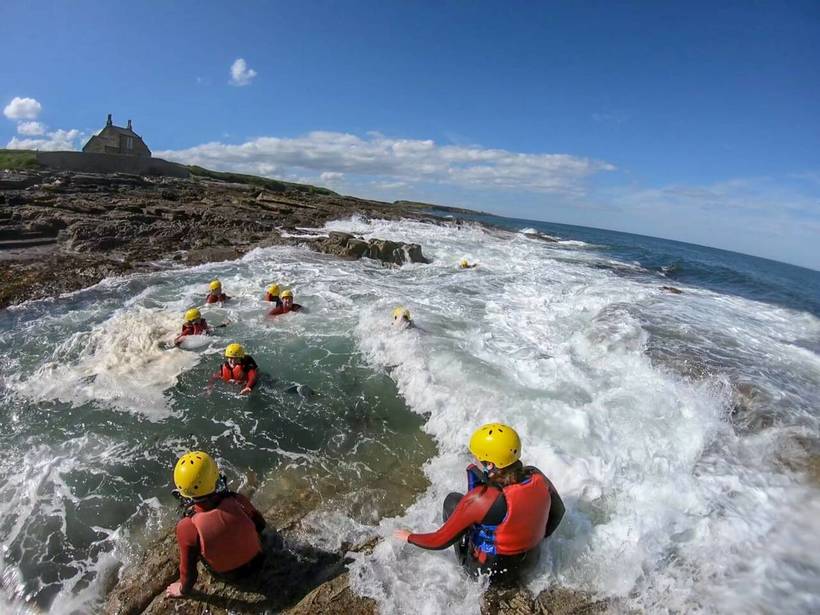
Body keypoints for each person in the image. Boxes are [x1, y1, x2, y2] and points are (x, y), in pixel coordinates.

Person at [393, 423, 564, 581]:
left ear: (489, 464)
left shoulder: (482, 499)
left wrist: (409, 537)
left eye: (477, 456)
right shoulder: (537, 476)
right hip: (530, 565)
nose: (474, 458)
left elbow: (439, 541)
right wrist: (539, 538)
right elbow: (558, 512)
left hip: (488, 574)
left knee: (452, 502)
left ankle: (466, 569)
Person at [165, 451, 266, 598]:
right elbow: (260, 525)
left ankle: (189, 503)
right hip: (258, 560)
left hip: (230, 575)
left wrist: (182, 590)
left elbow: (189, 574)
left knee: (194, 538)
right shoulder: (237, 499)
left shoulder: (187, 526)